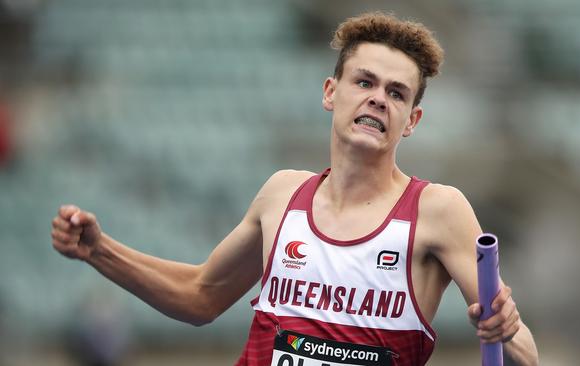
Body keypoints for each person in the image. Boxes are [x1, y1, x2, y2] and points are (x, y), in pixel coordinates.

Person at [51, 12, 539, 366]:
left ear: (411, 120)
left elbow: (522, 353)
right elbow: (201, 296)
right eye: (364, 82)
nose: (377, 99)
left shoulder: (438, 210)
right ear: (331, 93)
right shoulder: (282, 195)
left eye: (396, 93)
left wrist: (508, 332)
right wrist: (100, 251)